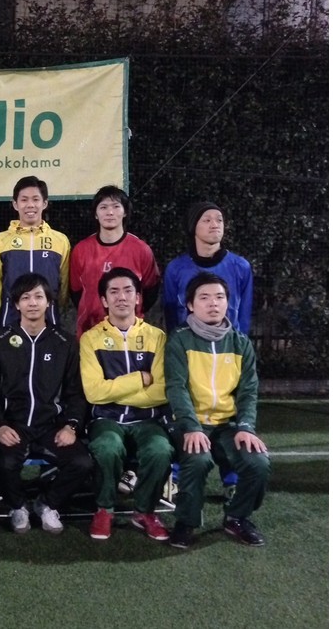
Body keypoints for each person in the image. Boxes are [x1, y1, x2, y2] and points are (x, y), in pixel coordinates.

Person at [165, 272, 270, 549]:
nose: (213, 303)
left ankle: (237, 517)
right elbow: (176, 387)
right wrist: (191, 427)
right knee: (197, 460)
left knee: (258, 463)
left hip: (227, 425)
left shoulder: (240, 343)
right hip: (189, 423)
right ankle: (186, 522)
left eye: (220, 297)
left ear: (228, 302)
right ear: (190, 305)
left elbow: (248, 391)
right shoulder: (179, 340)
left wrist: (246, 427)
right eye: (204, 297)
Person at [0, 273, 91, 535]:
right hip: (13, 424)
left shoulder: (65, 343)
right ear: (16, 304)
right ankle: (17, 505)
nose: (32, 303)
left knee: (82, 463)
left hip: (51, 425)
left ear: (49, 302)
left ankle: (47, 503)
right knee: (3, 464)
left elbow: (76, 393)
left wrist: (71, 426)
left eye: (39, 296)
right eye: (25, 297)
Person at [79, 268, 172, 542]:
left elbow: (161, 392)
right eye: (114, 292)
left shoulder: (157, 337)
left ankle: (144, 512)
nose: (122, 297)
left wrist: (114, 390)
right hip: (106, 418)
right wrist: (139, 378)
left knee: (161, 449)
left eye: (128, 291)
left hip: (148, 419)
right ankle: (104, 509)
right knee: (107, 447)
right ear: (104, 300)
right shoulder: (91, 339)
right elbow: (94, 393)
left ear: (138, 297)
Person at [69, 185, 161, 337]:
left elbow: (150, 290)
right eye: (103, 207)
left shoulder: (141, 249)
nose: (110, 212)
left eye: (116, 206)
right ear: (96, 214)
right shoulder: (81, 250)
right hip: (90, 331)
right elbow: (76, 292)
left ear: (125, 212)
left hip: (130, 334)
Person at [0, 175, 71, 329]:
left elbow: (64, 284)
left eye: (35, 199)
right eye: (24, 200)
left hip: (49, 319)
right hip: (10, 319)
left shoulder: (60, 240)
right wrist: (5, 308)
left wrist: (54, 306)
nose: (30, 205)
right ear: (15, 204)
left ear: (44, 203)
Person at [161, 201, 253, 335]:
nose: (215, 225)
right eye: (207, 220)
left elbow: (245, 314)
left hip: (228, 343)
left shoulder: (240, 267)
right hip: (188, 343)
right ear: (193, 226)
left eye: (219, 220)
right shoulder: (175, 268)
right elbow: (171, 314)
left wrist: (240, 343)